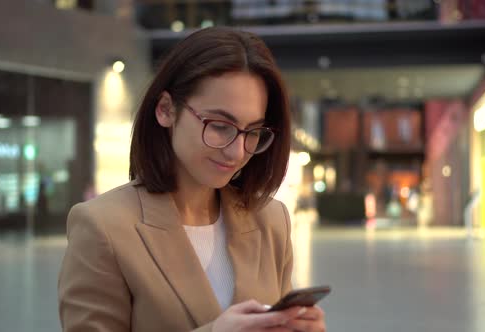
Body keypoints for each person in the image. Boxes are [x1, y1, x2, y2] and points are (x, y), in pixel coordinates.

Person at [58, 27, 327, 332]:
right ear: (166, 110)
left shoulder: (270, 219)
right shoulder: (103, 226)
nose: (237, 151)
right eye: (219, 125)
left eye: (252, 132)